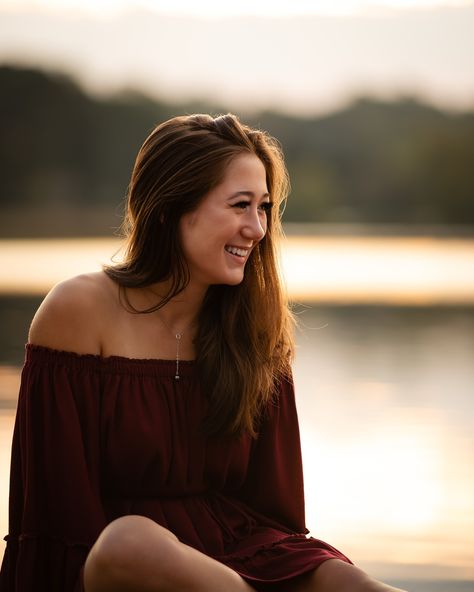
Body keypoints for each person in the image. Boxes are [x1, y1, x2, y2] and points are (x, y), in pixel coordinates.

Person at [0, 113, 407, 592]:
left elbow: (274, 513)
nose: (257, 229)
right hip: (112, 564)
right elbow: (54, 513)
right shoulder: (78, 310)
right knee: (130, 541)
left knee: (346, 580)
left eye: (264, 208)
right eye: (240, 205)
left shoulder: (254, 328)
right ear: (172, 208)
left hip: (243, 555)